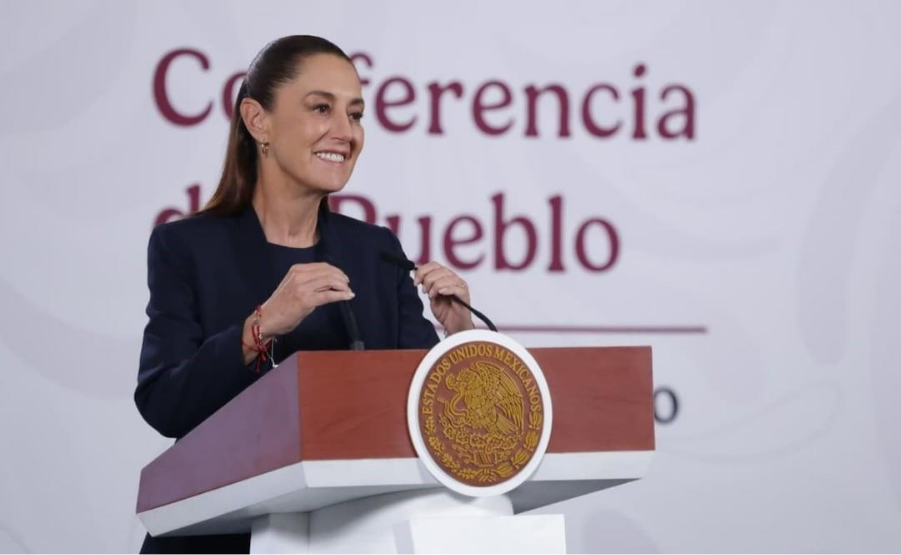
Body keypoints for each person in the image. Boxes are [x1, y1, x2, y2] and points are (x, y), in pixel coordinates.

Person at [135, 35, 474, 555]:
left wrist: (460, 337)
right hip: (219, 541)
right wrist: (262, 325)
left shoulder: (376, 253)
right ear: (258, 121)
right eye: (321, 108)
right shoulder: (187, 246)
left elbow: (435, 418)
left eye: (356, 114)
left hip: (355, 538)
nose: (347, 133)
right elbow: (164, 404)